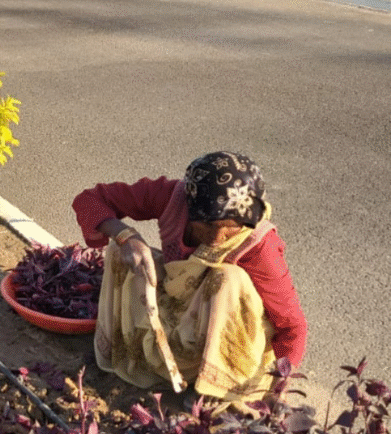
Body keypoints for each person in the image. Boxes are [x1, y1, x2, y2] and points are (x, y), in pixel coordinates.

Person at [72, 152, 307, 407]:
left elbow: (292, 325)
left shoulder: (259, 246)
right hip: (176, 314)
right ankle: (138, 356)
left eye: (231, 226)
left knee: (228, 277)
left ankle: (213, 386)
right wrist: (125, 236)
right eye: (208, 225)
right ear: (190, 208)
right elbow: (90, 200)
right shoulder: (172, 198)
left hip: (223, 339)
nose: (217, 237)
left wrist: (281, 384)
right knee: (120, 250)